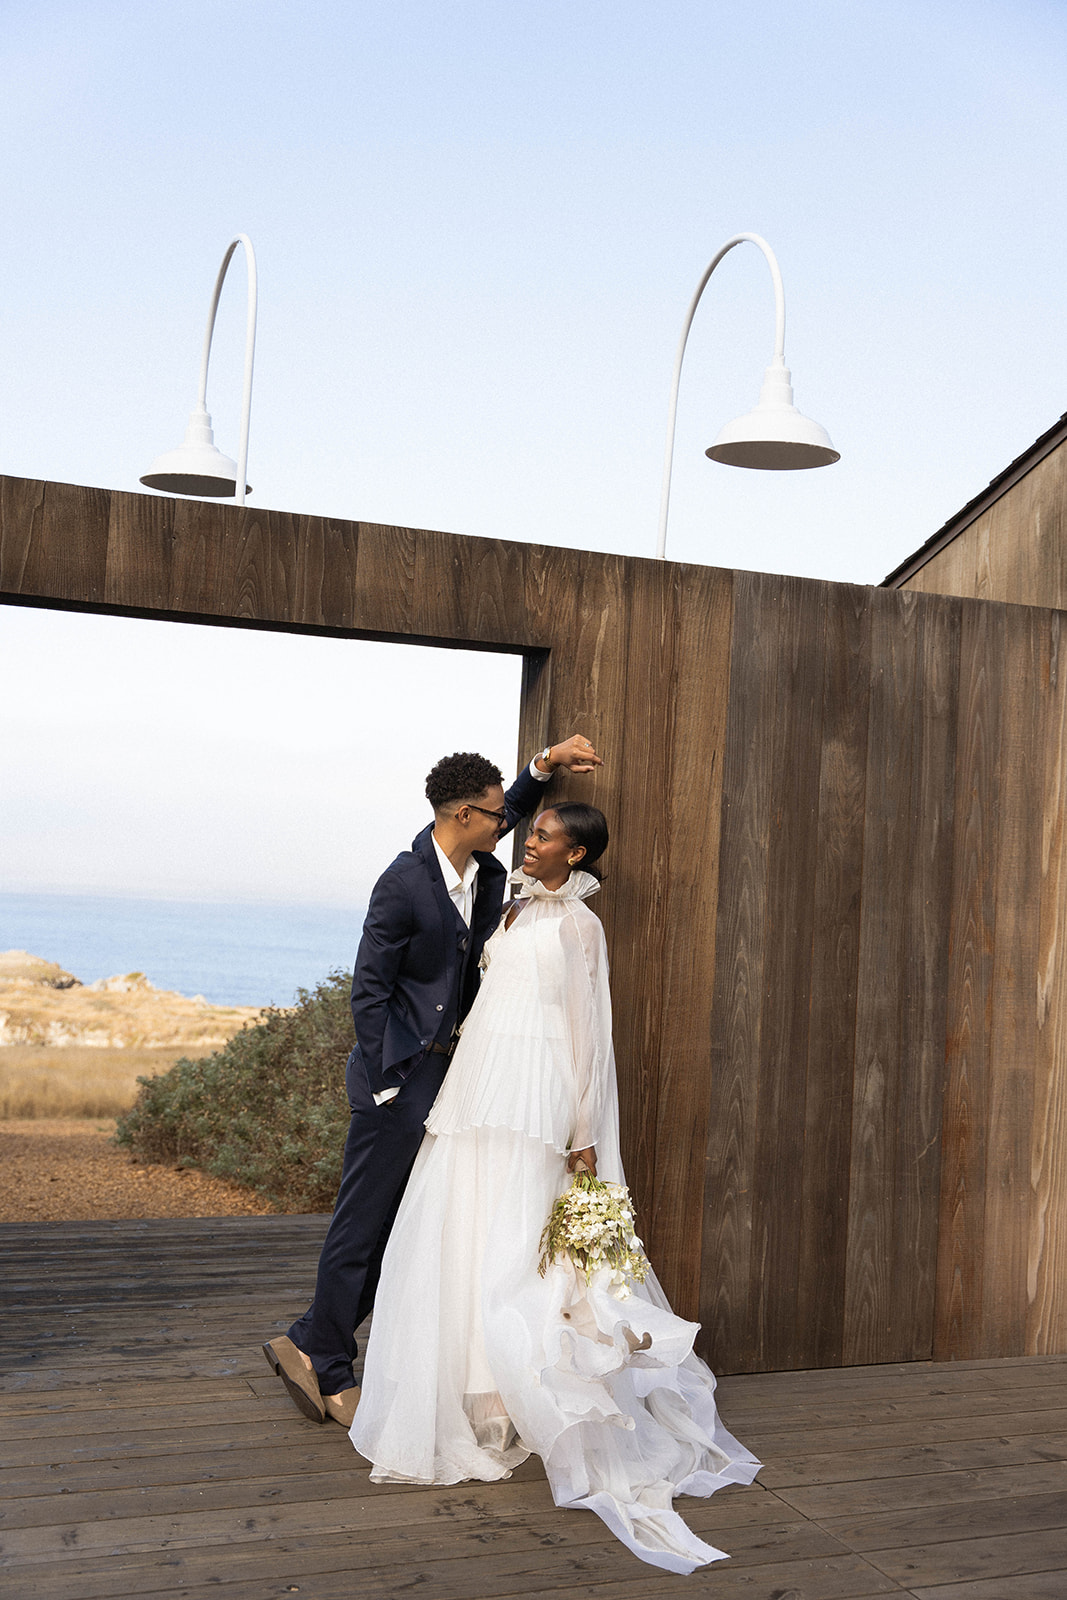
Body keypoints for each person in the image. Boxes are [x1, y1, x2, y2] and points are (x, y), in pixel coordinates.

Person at [350, 803, 761, 1573]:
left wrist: (583, 1130)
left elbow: (586, 1031)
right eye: (528, 831)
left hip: (535, 1091)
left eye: (542, 835)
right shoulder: (511, 906)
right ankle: (479, 1390)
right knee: (465, 1227)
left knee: (519, 1243)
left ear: (574, 854)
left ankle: (521, 1394)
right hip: (479, 1083)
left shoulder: (579, 926)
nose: (527, 841)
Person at [263, 735, 603, 1426]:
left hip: (454, 1079)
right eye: (495, 816)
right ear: (462, 816)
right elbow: (368, 991)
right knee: (365, 1223)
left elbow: (510, 805)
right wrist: (385, 1083)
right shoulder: (403, 882)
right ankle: (326, 1359)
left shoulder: (480, 867)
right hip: (399, 1081)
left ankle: (310, 1340)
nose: (506, 823)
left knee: (404, 1225)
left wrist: (543, 764)